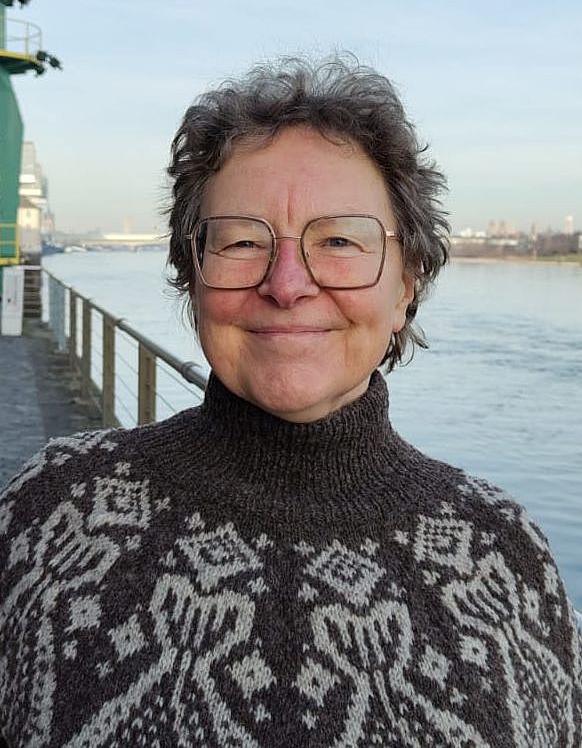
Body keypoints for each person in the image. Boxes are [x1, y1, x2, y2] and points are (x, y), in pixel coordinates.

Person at [0, 55, 580, 747]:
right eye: (242, 241)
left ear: (406, 286)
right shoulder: (54, 515)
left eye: (338, 240)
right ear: (192, 276)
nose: (286, 284)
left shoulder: (504, 556)